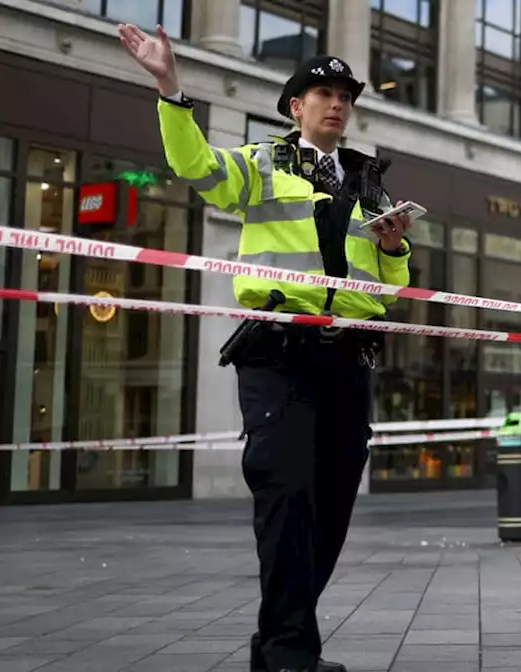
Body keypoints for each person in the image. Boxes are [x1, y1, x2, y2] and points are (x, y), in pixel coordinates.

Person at [117, 24, 415, 672]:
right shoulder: (260, 163)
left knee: (333, 506)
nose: (336, 103)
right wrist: (170, 85)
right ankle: (287, 655)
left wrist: (393, 247)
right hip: (280, 354)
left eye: (345, 95)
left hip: (348, 360)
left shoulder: (369, 180)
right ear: (295, 107)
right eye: (322, 92)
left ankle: (280, 640)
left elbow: (392, 286)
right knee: (286, 496)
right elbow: (196, 166)